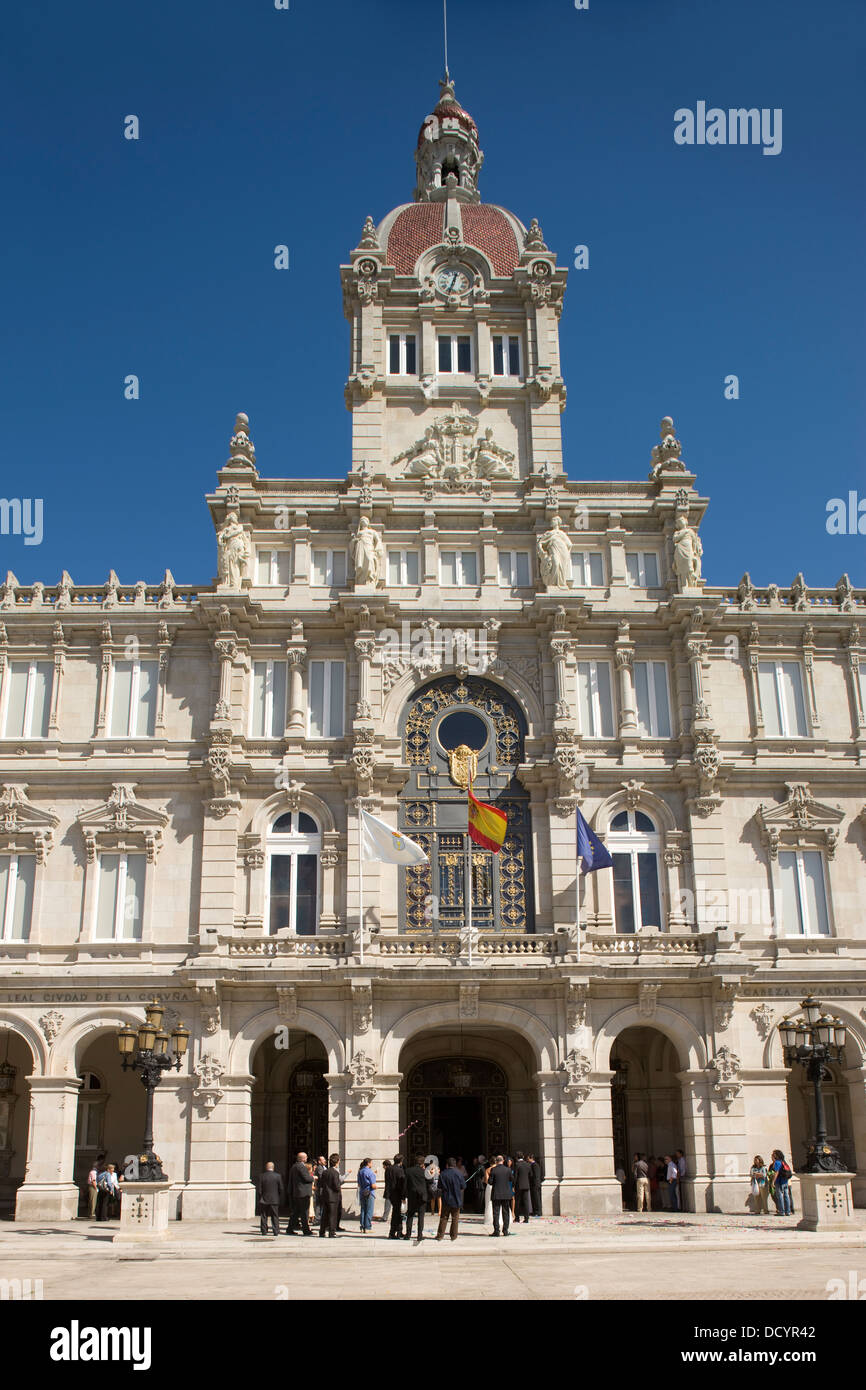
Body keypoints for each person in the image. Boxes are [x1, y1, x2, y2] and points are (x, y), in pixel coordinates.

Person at [436, 1157, 467, 1242]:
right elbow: (463, 1186)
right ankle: (453, 1236)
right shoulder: (459, 1173)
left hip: (446, 1198)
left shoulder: (443, 1174)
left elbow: (439, 1187)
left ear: (447, 1165)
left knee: (444, 1218)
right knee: (455, 1218)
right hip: (456, 1199)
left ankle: (440, 1235)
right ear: (455, 1164)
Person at [287, 1150, 314, 1235]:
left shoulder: (294, 1166)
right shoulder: (301, 1167)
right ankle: (306, 1230)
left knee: (296, 1212)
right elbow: (307, 1178)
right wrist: (313, 1178)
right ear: (302, 1159)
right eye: (306, 1157)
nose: (307, 1158)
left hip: (297, 1192)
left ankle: (290, 1229)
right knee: (304, 1212)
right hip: (303, 1193)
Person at [318, 1154, 343, 1238]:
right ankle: (332, 1232)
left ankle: (322, 1232)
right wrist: (338, 1190)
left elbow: (321, 1184)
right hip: (333, 1197)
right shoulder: (335, 1173)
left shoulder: (325, 1172)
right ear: (337, 1162)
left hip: (325, 1196)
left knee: (324, 1215)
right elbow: (336, 1186)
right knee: (333, 1215)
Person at [256, 1161, 284, 1237]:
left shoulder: (261, 1176)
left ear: (266, 1167)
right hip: (274, 1199)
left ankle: (264, 1231)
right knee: (275, 1215)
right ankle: (275, 1231)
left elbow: (259, 1190)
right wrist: (278, 1196)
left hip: (264, 1199)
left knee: (264, 1216)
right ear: (273, 1168)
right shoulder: (278, 1176)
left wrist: (260, 1197)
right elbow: (281, 1188)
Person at [405, 1155, 429, 1243]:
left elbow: (405, 1184)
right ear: (422, 1163)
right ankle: (419, 1235)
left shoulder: (408, 1171)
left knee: (410, 1215)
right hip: (422, 1196)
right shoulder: (424, 1172)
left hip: (412, 1196)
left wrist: (405, 1195)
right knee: (421, 1216)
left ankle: (408, 1234)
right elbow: (430, 1182)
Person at [488, 1155, 513, 1236]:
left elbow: (490, 1182)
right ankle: (505, 1230)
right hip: (506, 1194)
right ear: (503, 1161)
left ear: (496, 1161)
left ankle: (496, 1230)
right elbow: (512, 1179)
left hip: (496, 1194)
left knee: (496, 1213)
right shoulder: (508, 1170)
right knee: (506, 1213)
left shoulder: (493, 1170)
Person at [388, 1155, 407, 1239]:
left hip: (391, 1193)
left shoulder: (389, 1169)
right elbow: (402, 1184)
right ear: (401, 1161)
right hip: (397, 1194)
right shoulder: (400, 1170)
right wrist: (403, 1196)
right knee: (396, 1213)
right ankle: (392, 1232)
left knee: (398, 1213)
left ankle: (399, 1231)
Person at [770, 1149, 793, 1216]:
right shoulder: (783, 1162)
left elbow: (776, 1172)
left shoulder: (777, 1162)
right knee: (786, 1196)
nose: (772, 1155)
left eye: (773, 1154)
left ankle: (781, 1211)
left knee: (779, 1196)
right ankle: (788, 1211)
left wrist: (773, 1182)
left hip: (779, 1181)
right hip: (785, 1181)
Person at [357, 1157, 376, 1233]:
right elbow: (373, 1185)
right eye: (371, 1163)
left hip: (362, 1192)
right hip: (369, 1192)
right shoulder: (370, 1172)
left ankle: (362, 1226)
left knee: (363, 1209)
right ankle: (368, 1227)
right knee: (369, 1210)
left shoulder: (360, 1171)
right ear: (368, 1163)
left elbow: (358, 1183)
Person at [513, 1151, 533, 1223]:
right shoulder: (528, 1165)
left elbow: (515, 1176)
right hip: (526, 1185)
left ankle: (517, 1218)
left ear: (516, 1157)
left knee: (517, 1202)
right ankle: (526, 1218)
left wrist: (513, 1185)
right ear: (523, 1157)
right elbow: (531, 1175)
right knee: (526, 1202)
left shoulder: (517, 1165)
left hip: (519, 1185)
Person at [86, 1153, 105, 1220]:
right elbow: (93, 1181)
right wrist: (96, 1188)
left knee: (92, 1200)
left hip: (93, 1186)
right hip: (93, 1186)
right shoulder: (94, 1172)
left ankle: (91, 1213)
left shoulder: (95, 1171)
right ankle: (92, 1213)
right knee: (93, 1200)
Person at [528, 1153, 543, 1217]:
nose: (527, 1160)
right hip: (533, 1184)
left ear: (531, 1158)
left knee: (536, 1198)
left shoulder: (535, 1165)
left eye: (528, 1158)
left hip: (535, 1184)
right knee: (534, 1198)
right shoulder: (533, 1165)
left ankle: (538, 1211)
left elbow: (536, 1176)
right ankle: (535, 1211)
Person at [381, 1158, 393, 1226]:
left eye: (383, 1166)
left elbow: (388, 1181)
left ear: (386, 1165)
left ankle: (385, 1217)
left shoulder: (388, 1170)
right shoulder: (391, 1169)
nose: (383, 1167)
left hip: (389, 1190)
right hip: (391, 1190)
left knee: (387, 1204)